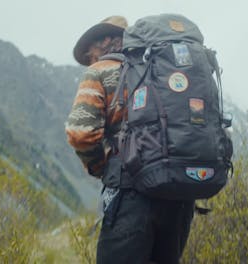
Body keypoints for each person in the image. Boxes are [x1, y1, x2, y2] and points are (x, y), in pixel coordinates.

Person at [66, 16, 194, 264]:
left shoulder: (100, 70)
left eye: (89, 51)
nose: (88, 58)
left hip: (130, 193)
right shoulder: (162, 68)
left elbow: (80, 133)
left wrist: (101, 167)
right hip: (179, 195)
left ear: (104, 41)